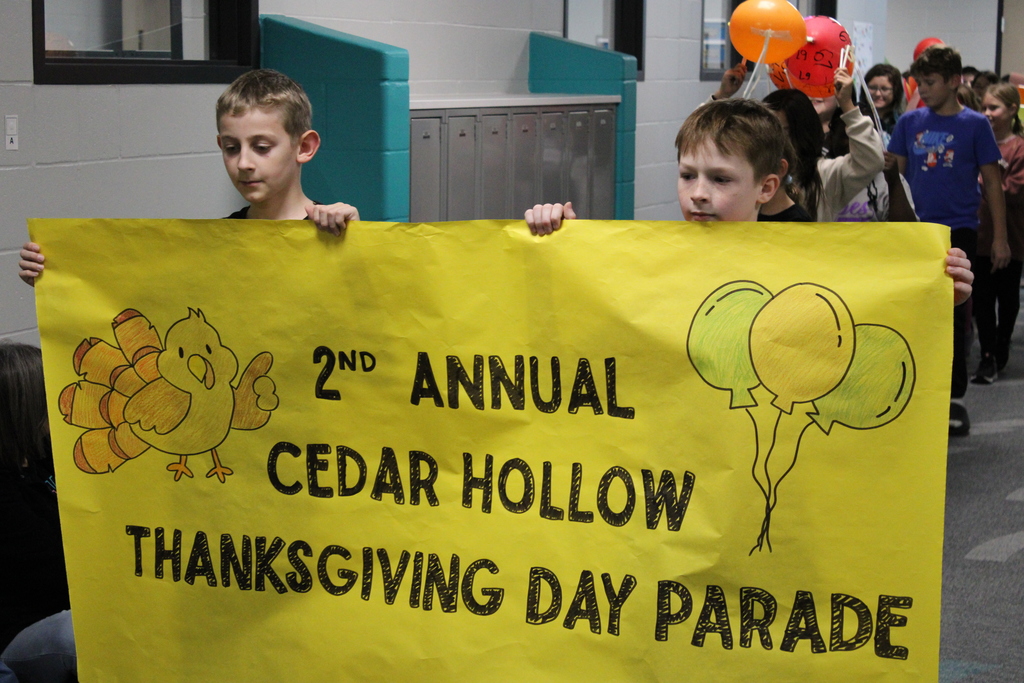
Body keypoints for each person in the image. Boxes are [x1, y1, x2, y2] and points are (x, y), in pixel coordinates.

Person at [525, 98, 974, 306]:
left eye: (720, 179)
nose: (698, 192)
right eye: (687, 176)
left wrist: (933, 297)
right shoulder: (655, 256)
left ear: (766, 187)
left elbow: (869, 312)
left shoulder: (807, 258)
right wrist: (559, 241)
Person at [19, 69, 360, 286]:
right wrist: (58, 278)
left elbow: (379, 314)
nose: (243, 163)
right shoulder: (215, 244)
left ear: (305, 147)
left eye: (261, 147)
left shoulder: (331, 234)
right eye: (230, 148)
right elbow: (137, 292)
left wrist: (360, 244)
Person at [888, 45, 1011, 435]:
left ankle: (953, 394)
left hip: (957, 228)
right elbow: (899, 180)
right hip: (916, 228)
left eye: (931, 82)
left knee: (954, 314)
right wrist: (894, 226)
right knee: (912, 311)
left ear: (954, 81)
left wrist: (1000, 239)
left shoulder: (975, 125)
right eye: (919, 82)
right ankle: (914, 387)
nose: (922, 89)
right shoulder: (910, 123)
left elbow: (992, 183)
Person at [0, 343, 76, 682]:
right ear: (23, 408)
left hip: (64, 603)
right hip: (22, 628)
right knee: (75, 634)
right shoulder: (4, 484)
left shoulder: (43, 454)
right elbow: (53, 567)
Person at [763, 68, 886, 221]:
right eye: (767, 131)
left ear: (803, 134)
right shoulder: (753, 172)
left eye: (785, 133)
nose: (774, 140)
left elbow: (870, 161)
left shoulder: (824, 174)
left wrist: (847, 105)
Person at [972, 83, 1024, 383]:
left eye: (994, 108)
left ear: (1012, 110)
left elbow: (1013, 191)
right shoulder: (980, 143)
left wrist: (985, 181)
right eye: (985, 107)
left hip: (1011, 237)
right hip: (979, 235)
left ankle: (1002, 345)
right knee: (982, 298)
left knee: (1006, 298)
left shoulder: (1018, 148)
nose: (987, 113)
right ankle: (987, 355)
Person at [861, 63, 905, 138]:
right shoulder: (858, 118)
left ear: (896, 91)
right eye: (873, 88)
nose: (878, 94)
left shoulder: (901, 122)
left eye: (884, 89)